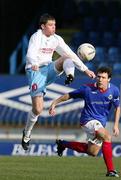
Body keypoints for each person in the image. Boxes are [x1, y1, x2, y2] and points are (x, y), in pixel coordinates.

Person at [21, 13, 96, 151]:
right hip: (35, 72)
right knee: (37, 109)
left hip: (49, 69)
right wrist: (34, 63)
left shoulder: (56, 39)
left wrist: (85, 70)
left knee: (66, 57)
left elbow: (71, 54)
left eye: (54, 25)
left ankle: (70, 76)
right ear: (43, 26)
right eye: (50, 25)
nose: (53, 27)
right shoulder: (36, 37)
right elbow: (30, 53)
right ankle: (27, 133)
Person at [49, 66, 120, 177]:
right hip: (88, 120)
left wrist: (116, 125)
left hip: (100, 124)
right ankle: (111, 170)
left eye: (103, 77)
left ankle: (63, 144)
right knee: (107, 137)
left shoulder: (114, 90)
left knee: (92, 152)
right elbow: (69, 95)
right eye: (99, 77)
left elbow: (117, 107)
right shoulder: (87, 89)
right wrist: (54, 103)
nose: (100, 79)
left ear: (109, 79)